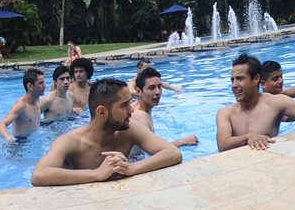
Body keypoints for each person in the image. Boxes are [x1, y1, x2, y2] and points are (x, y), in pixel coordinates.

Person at [31, 78, 182, 186]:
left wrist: (132, 168)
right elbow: (39, 175)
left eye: (130, 103)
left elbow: (173, 153)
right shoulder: (71, 141)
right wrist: (96, 174)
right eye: (124, 105)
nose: (131, 110)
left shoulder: (130, 129)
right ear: (102, 112)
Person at [216, 54, 295, 152]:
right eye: (232, 79)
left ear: (256, 79)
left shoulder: (275, 102)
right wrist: (249, 137)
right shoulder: (226, 113)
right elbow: (223, 145)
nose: (234, 85)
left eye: (240, 79)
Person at [132, 67, 198, 147]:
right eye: (151, 88)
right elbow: (154, 150)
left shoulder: (136, 106)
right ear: (139, 91)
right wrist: (183, 141)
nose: (158, 92)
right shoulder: (140, 116)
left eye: (159, 86)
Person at [0, 68, 45, 141]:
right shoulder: (21, 105)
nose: (44, 86)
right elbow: (0, 125)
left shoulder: (37, 100)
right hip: (19, 144)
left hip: (34, 140)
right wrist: (8, 137)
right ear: (30, 86)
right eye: (41, 83)